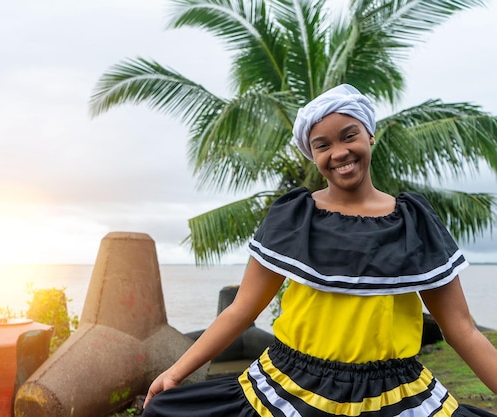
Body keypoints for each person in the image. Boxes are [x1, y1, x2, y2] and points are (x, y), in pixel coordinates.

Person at [142, 84, 497, 417]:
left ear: (370, 135)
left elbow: (462, 329)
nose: (339, 152)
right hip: (291, 386)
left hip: (394, 395)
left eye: (349, 136)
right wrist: (175, 372)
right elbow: (240, 310)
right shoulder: (295, 217)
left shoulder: (412, 221)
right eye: (322, 145)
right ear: (312, 154)